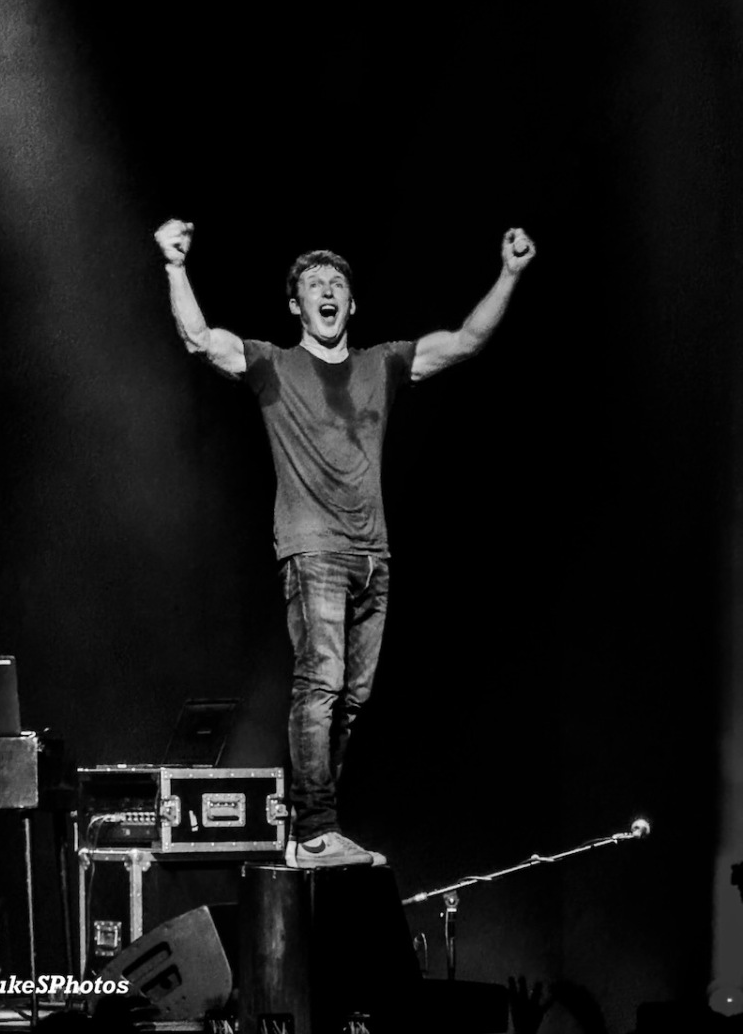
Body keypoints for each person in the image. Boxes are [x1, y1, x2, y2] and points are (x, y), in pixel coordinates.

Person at [153, 219, 536, 867]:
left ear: (351, 304)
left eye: (336, 283)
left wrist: (510, 273)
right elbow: (199, 339)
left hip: (373, 556)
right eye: (313, 283)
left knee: (351, 703)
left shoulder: (381, 364)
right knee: (320, 687)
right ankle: (314, 830)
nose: (326, 290)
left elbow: (466, 341)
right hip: (313, 549)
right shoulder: (273, 365)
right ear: (295, 305)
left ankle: (316, 828)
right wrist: (174, 266)